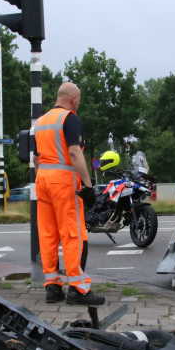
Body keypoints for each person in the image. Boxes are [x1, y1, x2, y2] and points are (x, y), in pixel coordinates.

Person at [34, 83, 103, 305]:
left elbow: (36, 158)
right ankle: (78, 289)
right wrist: (88, 185)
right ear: (74, 98)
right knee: (73, 233)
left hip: (42, 181)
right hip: (63, 183)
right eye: (79, 100)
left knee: (48, 234)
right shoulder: (70, 118)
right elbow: (74, 151)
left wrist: (42, 179)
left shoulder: (41, 121)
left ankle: (52, 287)